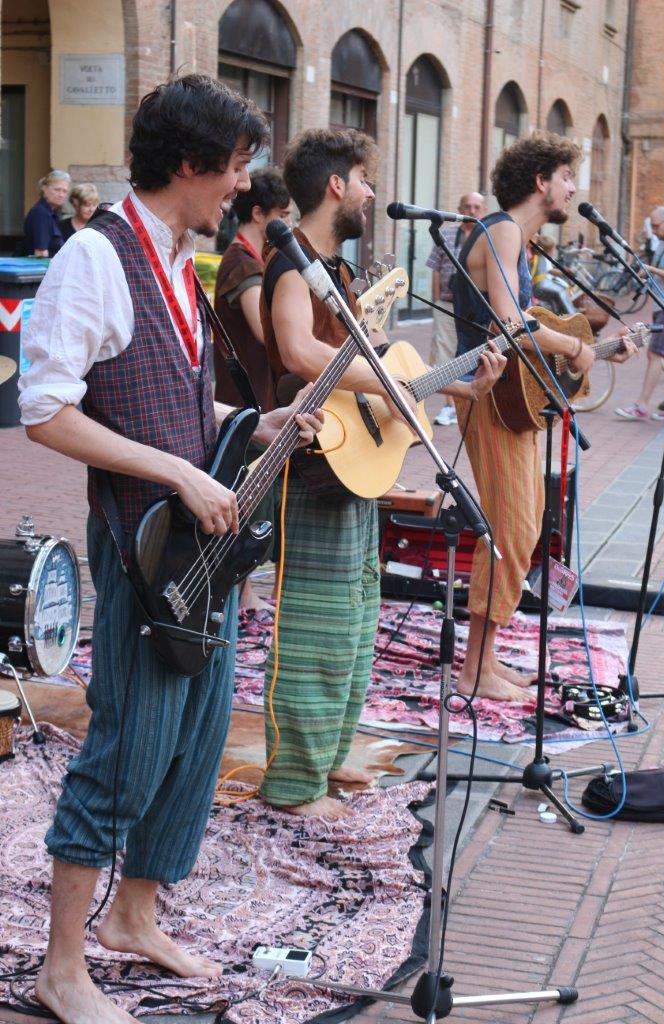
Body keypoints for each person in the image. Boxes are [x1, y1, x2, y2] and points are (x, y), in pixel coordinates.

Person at [18, 74, 323, 1024]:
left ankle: (134, 918)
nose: (243, 186)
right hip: (142, 546)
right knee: (129, 747)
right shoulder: (94, 257)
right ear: (189, 164)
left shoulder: (177, 254)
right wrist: (181, 473)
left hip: (201, 548)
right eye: (235, 167)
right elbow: (46, 411)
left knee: (194, 741)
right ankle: (62, 968)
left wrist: (250, 420)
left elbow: (170, 397)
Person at [258, 129, 503, 818]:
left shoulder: (336, 272)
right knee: (316, 629)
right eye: (364, 179)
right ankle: (293, 785)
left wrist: (459, 385)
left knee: (358, 617)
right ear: (336, 184)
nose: (371, 193)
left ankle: (326, 758)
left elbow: (375, 369)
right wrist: (390, 385)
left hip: (349, 464)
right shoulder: (292, 262)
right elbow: (299, 352)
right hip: (310, 459)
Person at [451, 131, 636, 702]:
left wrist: (596, 348)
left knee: (524, 527)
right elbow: (510, 323)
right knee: (509, 530)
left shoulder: (517, 239)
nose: (573, 188)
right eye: (566, 177)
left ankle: (485, 658)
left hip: (509, 400)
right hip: (486, 394)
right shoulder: (502, 229)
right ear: (541, 181)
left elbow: (529, 323)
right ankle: (474, 671)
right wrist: (575, 347)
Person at [214, 167, 293, 610]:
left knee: (258, 499)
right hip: (240, 402)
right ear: (259, 213)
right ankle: (241, 594)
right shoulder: (241, 262)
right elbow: (265, 332)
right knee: (245, 498)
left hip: (257, 400)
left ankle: (246, 592)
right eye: (283, 214)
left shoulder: (254, 259)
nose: (287, 222)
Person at [615, 205, 664, 421]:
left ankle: (641, 406)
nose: (653, 230)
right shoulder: (663, 243)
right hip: (663, 306)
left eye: (655, 226)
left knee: (655, 354)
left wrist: (652, 270)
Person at [426, 191, 486, 425]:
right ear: (460, 209)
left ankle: (469, 403)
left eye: (477, 207)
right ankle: (450, 406)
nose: (472, 211)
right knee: (445, 353)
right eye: (467, 206)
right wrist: (437, 302)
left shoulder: (487, 236)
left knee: (473, 355)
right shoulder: (446, 234)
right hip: (447, 304)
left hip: (475, 308)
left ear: (483, 210)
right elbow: (436, 268)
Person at [17, 170, 71, 257]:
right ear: (44, 189)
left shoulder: (52, 213)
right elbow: (41, 253)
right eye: (57, 190)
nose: (61, 195)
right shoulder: (41, 213)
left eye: (64, 191)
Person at [531, 233, 576, 315]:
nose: (555, 250)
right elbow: (551, 271)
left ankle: (558, 313)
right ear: (548, 250)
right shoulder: (542, 258)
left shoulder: (542, 258)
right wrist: (565, 271)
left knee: (556, 296)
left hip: (543, 283)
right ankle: (570, 313)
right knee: (560, 291)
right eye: (553, 249)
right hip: (541, 285)